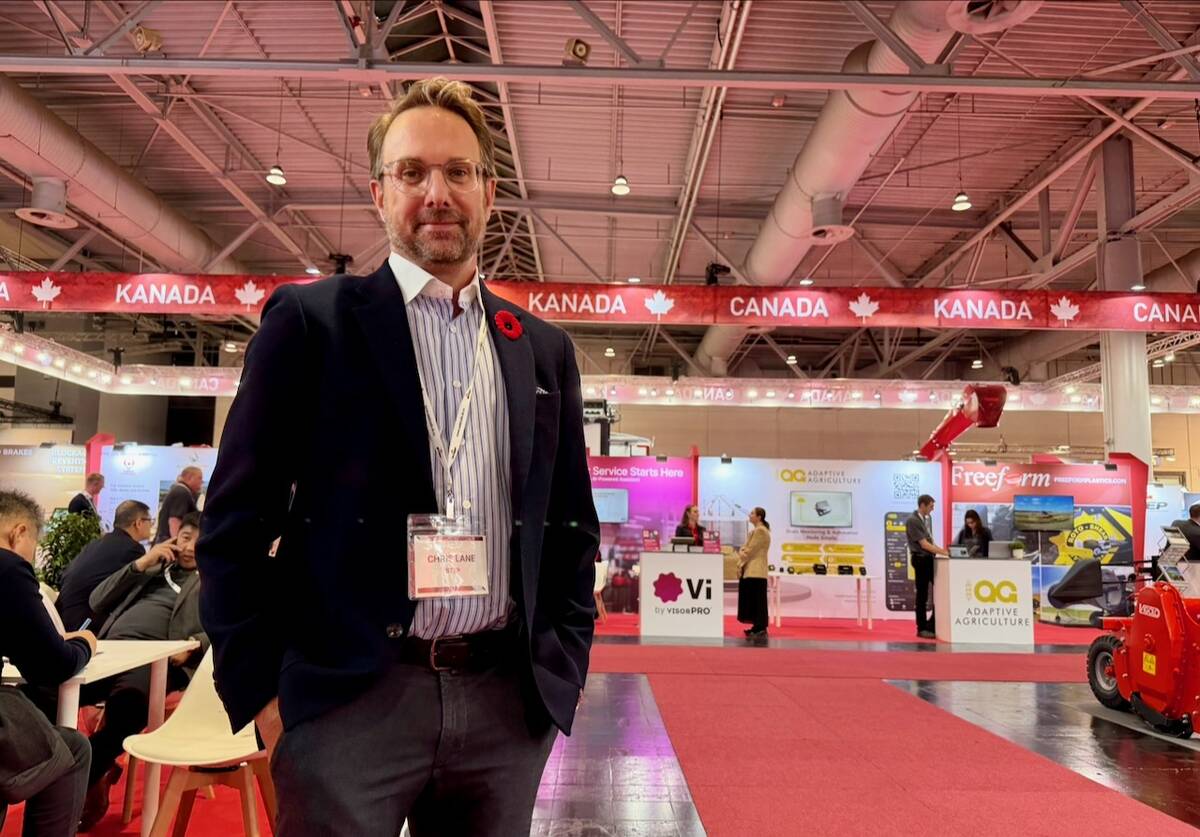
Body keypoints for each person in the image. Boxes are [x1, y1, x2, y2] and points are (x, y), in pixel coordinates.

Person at [197, 77, 600, 837]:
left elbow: (572, 526)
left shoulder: (544, 352)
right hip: (349, 700)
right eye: (413, 172)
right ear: (380, 192)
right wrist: (263, 692)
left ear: (489, 191)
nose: (436, 192)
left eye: (458, 171)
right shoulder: (313, 324)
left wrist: (561, 672)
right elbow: (233, 522)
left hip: (503, 704)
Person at [77, 513, 206, 829]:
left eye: (200, 540)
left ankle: (75, 779)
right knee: (47, 691)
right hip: (108, 651)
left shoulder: (214, 580)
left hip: (158, 661)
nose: (190, 547)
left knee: (128, 707)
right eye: (186, 537)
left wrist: (195, 646)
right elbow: (97, 599)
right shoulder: (153, 569)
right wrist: (141, 563)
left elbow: (228, 629)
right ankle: (79, 766)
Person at [0, 490, 96, 837]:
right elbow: (52, 667)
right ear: (19, 532)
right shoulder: (8, 568)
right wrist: (84, 643)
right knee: (72, 750)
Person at [56, 501, 153, 631]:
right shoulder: (132, 549)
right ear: (138, 523)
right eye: (150, 520)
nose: (151, 525)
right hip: (83, 625)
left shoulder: (97, 543)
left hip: (62, 618)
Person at [906, 494, 948, 639]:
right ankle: (922, 627)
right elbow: (924, 544)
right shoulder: (913, 520)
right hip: (921, 559)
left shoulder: (924, 519)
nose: (933, 508)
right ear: (922, 505)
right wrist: (943, 552)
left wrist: (943, 551)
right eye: (931, 506)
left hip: (928, 559)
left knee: (939, 591)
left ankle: (932, 624)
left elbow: (930, 542)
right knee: (922, 595)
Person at [737, 507, 771, 639]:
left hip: (755, 571)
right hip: (752, 570)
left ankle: (760, 627)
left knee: (758, 600)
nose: (749, 515)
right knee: (755, 600)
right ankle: (757, 626)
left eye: (752, 513)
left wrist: (741, 553)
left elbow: (748, 550)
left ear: (759, 517)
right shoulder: (757, 531)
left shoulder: (760, 531)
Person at [154, 466, 202, 544]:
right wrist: (178, 544)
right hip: (169, 545)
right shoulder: (181, 492)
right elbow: (174, 521)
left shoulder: (179, 490)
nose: (201, 482)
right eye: (199, 478)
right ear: (190, 477)